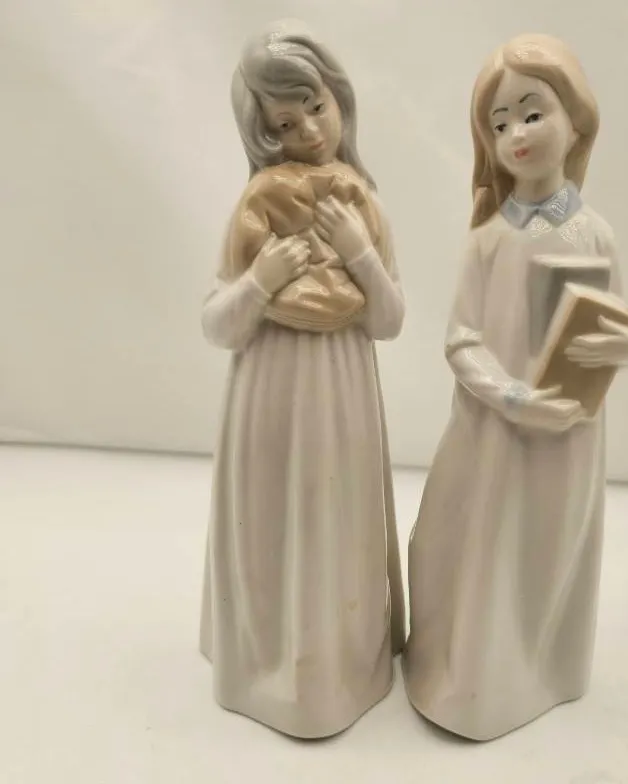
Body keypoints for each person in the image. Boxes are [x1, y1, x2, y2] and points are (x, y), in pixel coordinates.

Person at [403, 33, 628, 741]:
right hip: (494, 432)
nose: (516, 134)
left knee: (544, 549)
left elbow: (622, 327)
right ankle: (468, 680)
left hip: (567, 435)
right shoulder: (487, 240)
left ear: (577, 122)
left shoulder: (594, 235)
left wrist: (627, 347)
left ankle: (541, 671)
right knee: (471, 544)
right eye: (499, 122)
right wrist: (512, 397)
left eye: (532, 113)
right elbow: (461, 340)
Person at [198, 19, 405, 739]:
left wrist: (359, 254)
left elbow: (388, 320)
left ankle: (336, 666)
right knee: (272, 527)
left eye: (317, 107)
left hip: (342, 394)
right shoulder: (256, 208)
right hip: (269, 400)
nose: (311, 132)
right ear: (264, 135)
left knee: (335, 524)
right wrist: (260, 279)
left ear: (339, 98)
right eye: (286, 124)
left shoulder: (361, 204)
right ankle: (266, 663)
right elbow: (217, 324)